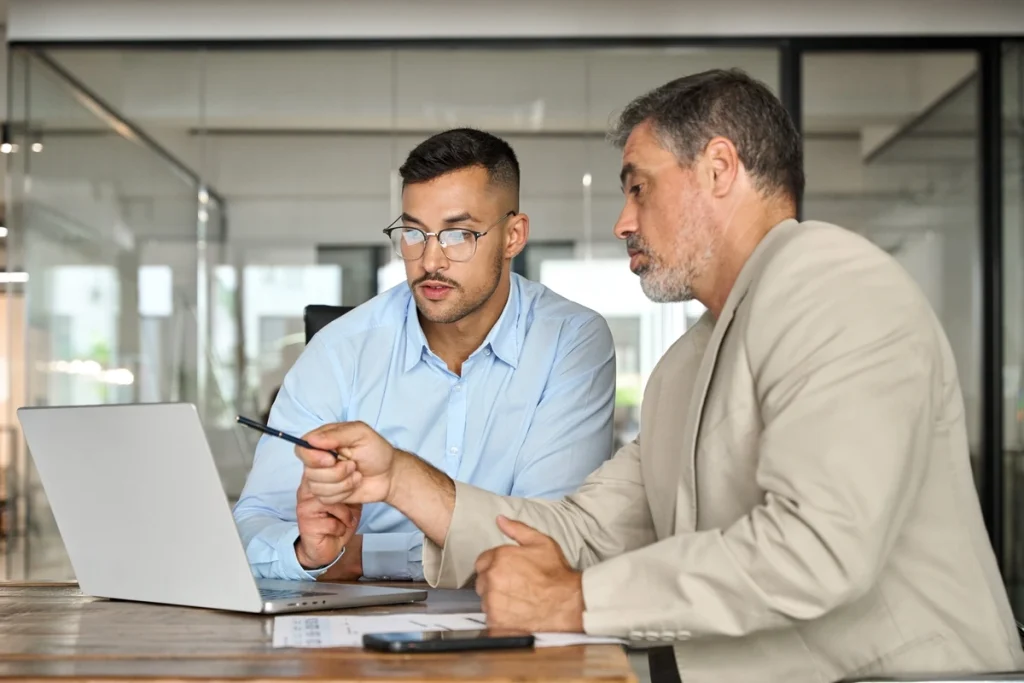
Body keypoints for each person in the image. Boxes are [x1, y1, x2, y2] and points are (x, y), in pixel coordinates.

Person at [291, 70, 1024, 682]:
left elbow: (816, 547)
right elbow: (584, 529)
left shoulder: (834, 283)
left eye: (638, 187)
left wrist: (573, 601)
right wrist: (399, 479)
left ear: (718, 169)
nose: (622, 220)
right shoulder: (689, 361)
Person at [232, 128, 616, 583]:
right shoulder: (340, 348)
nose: (430, 259)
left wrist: (363, 557)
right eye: (413, 232)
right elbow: (252, 522)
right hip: (352, 630)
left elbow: (551, 545)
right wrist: (309, 552)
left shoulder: (570, 341)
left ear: (513, 236)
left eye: (459, 234)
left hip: (513, 621)